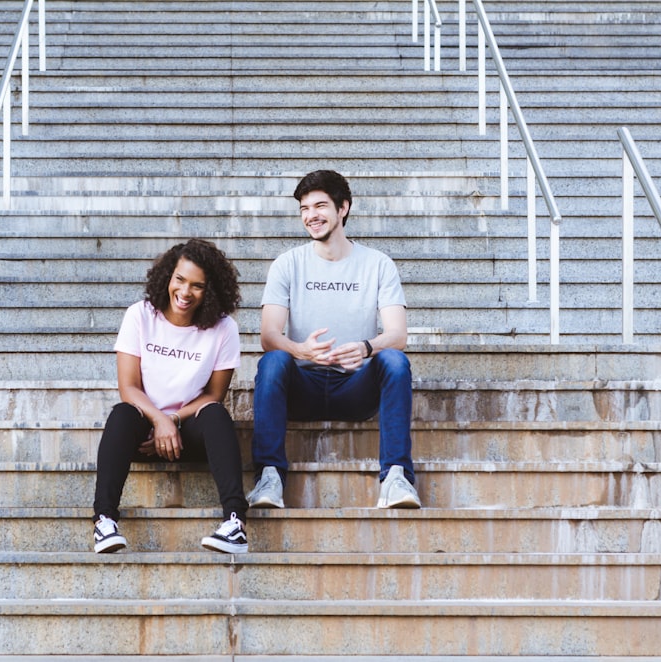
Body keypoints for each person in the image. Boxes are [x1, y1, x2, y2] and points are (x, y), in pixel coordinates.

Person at [247, 170, 421, 510]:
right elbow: (269, 335)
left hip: (356, 386)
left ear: (343, 208)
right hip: (302, 386)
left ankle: (397, 478)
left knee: (394, 361)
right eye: (304, 208)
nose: (311, 215)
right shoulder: (288, 264)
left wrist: (366, 347)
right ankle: (269, 477)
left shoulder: (377, 264)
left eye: (320, 206)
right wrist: (300, 349)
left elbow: (398, 335)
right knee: (273, 360)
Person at [91, 238, 249, 554]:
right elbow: (129, 387)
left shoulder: (223, 328)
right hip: (143, 431)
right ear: (168, 276)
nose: (185, 292)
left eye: (197, 286)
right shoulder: (140, 315)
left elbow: (213, 395)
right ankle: (104, 521)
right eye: (180, 280)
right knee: (122, 413)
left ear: (211, 291)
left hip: (189, 433)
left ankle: (235, 523)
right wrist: (160, 420)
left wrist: (174, 419)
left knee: (217, 414)